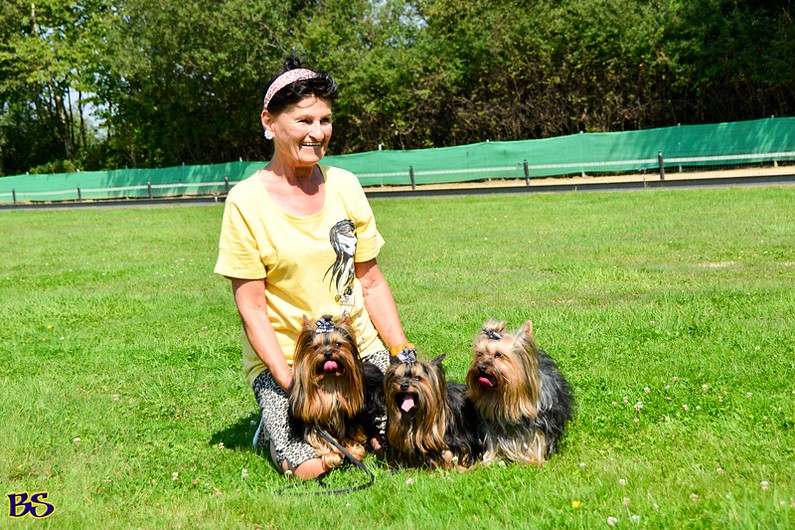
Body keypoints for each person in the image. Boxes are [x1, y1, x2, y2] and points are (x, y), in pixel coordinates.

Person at [214, 55, 412, 481]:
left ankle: (362, 428)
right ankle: (282, 428)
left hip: (359, 350)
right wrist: (291, 384)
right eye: (304, 120)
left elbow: (371, 282)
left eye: (325, 120)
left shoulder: (346, 185)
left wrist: (401, 351)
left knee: (407, 437)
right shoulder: (245, 202)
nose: (317, 132)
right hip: (292, 360)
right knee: (306, 466)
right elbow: (252, 310)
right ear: (269, 121)